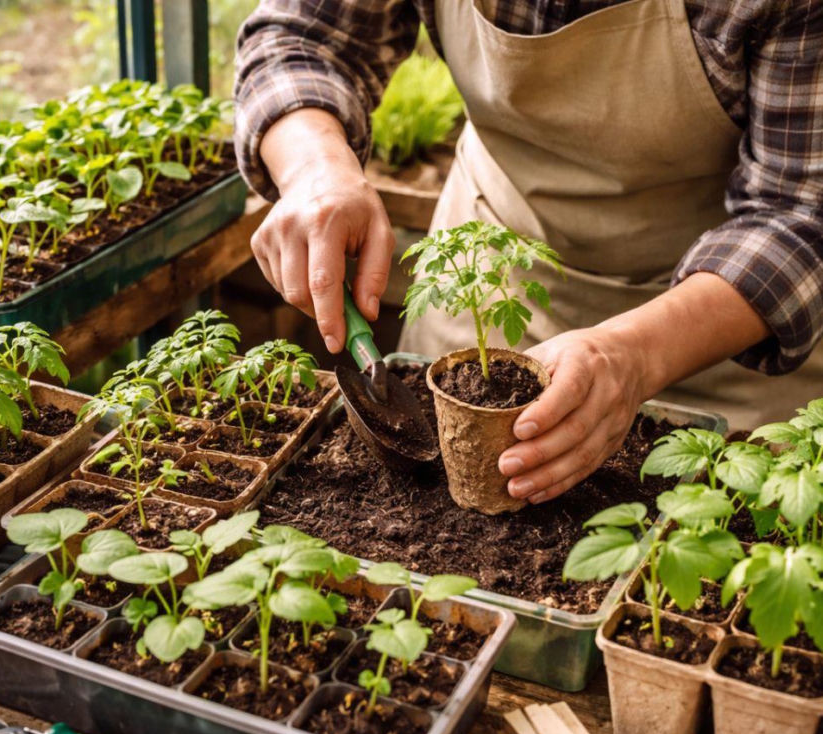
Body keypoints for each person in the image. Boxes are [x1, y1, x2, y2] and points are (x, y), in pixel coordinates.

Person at [233, 0, 823, 504]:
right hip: (490, 276)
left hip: (718, 332)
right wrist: (315, 170)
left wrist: (635, 356)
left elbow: (801, 215)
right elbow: (301, 34)